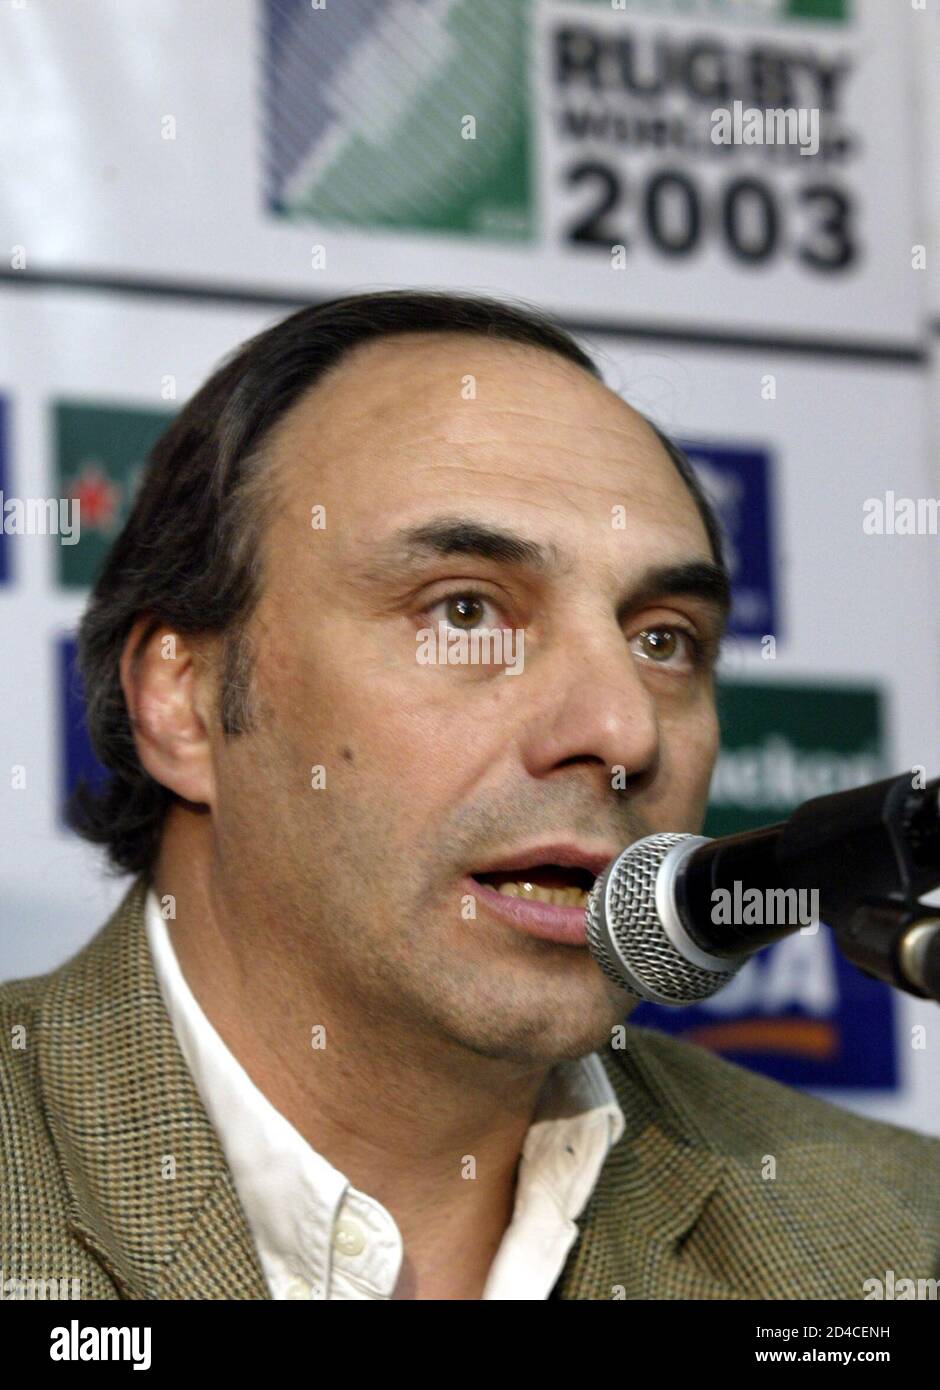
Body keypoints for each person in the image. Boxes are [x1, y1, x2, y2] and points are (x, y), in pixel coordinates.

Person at [2, 290, 938, 1301]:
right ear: (181, 706)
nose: (620, 730)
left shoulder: (890, 1242)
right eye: (465, 612)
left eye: (662, 639)